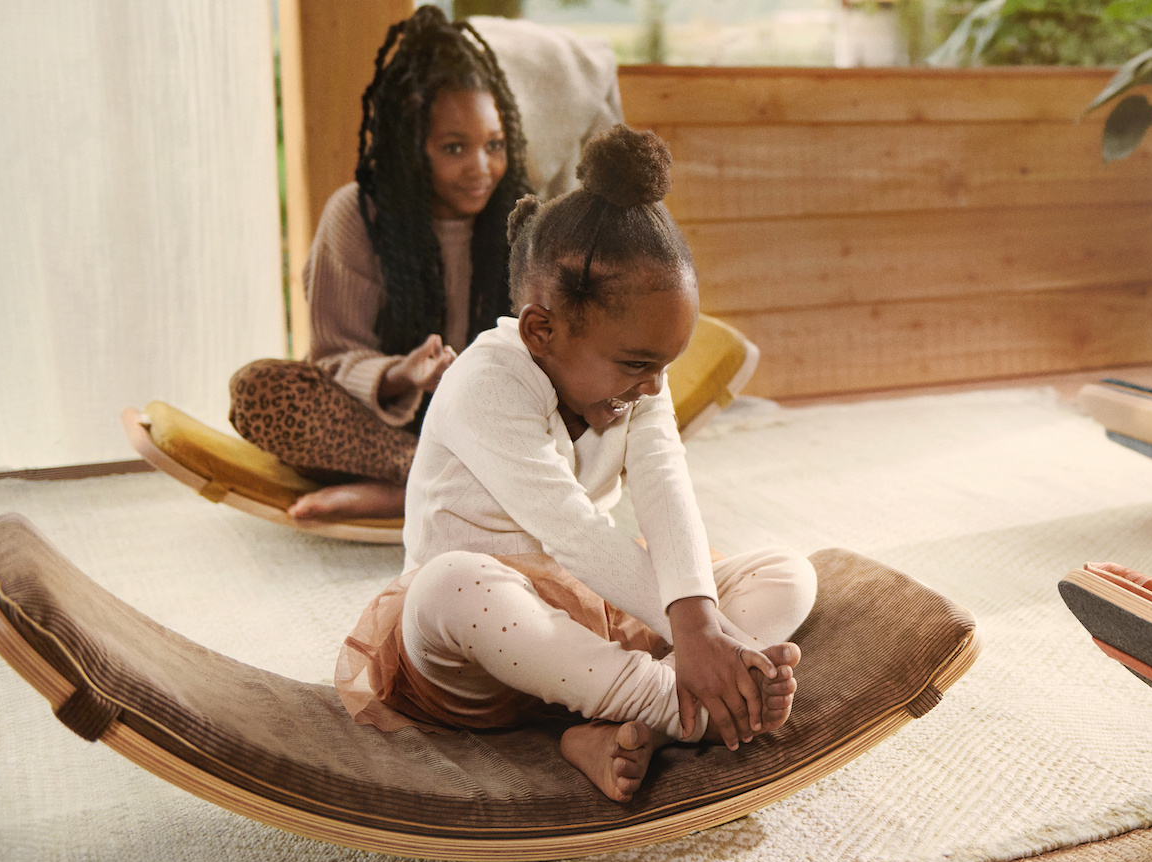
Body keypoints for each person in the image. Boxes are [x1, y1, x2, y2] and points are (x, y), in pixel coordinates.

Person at [335, 127, 815, 801]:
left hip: (587, 630)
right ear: (541, 331)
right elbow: (572, 531)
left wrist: (706, 627)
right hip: (480, 657)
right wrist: (708, 642)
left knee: (787, 573)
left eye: (665, 366)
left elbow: (665, 483)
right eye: (639, 364)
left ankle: (635, 719)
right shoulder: (485, 383)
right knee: (449, 585)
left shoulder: (639, 382)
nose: (655, 386)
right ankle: (684, 706)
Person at [228, 6, 533, 523]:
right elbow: (331, 360)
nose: (481, 167)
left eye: (494, 145)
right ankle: (429, 480)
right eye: (454, 148)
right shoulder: (356, 217)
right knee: (257, 392)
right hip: (384, 436)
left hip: (492, 430)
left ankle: (410, 491)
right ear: (409, 147)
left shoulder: (525, 219)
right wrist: (402, 374)